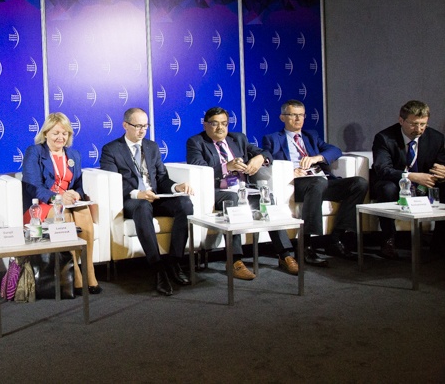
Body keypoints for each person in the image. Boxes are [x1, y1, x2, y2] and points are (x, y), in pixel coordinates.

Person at [187, 107, 297, 278]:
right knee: (233, 198)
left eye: (224, 124)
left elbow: (265, 153)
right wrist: (226, 167)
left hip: (243, 188)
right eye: (215, 124)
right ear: (205, 125)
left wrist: (260, 158)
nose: (220, 128)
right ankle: (234, 260)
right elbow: (199, 167)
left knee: (267, 196)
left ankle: (285, 255)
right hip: (218, 191)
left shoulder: (238, 138)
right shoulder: (196, 142)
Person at [100, 107, 194, 296]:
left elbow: (162, 178)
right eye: (137, 126)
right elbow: (113, 183)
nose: (142, 130)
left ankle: (175, 261)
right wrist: (137, 193)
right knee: (143, 207)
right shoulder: (111, 149)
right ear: (125, 125)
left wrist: (177, 187)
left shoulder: (152, 147)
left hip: (155, 196)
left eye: (145, 126)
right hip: (131, 200)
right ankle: (158, 268)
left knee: (185, 203)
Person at [262, 100, 368, 264]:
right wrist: (290, 172)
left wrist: (316, 158)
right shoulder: (273, 139)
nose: (298, 119)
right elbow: (267, 160)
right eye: (293, 115)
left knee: (359, 183)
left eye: (301, 115)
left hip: (321, 181)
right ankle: (305, 245)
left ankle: (336, 239)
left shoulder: (311, 136)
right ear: (282, 117)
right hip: (296, 184)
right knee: (317, 182)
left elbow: (335, 150)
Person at [22, 112, 101, 295]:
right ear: (46, 133)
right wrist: (57, 198)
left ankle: (89, 270)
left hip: (67, 203)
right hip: (43, 204)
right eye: (56, 133)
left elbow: (78, 185)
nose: (60, 137)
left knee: (83, 211)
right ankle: (76, 274)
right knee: (63, 214)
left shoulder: (74, 154)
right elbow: (33, 186)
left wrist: (76, 194)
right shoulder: (35, 152)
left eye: (65, 133)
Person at [371, 100, 445, 258]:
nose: (419, 129)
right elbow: (383, 169)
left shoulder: (436, 138)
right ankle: (388, 240)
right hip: (395, 182)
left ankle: (439, 243)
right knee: (387, 188)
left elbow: (440, 164)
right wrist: (413, 177)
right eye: (414, 124)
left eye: (423, 124)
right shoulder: (384, 138)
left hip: (425, 183)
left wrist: (442, 172)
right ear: (401, 120)